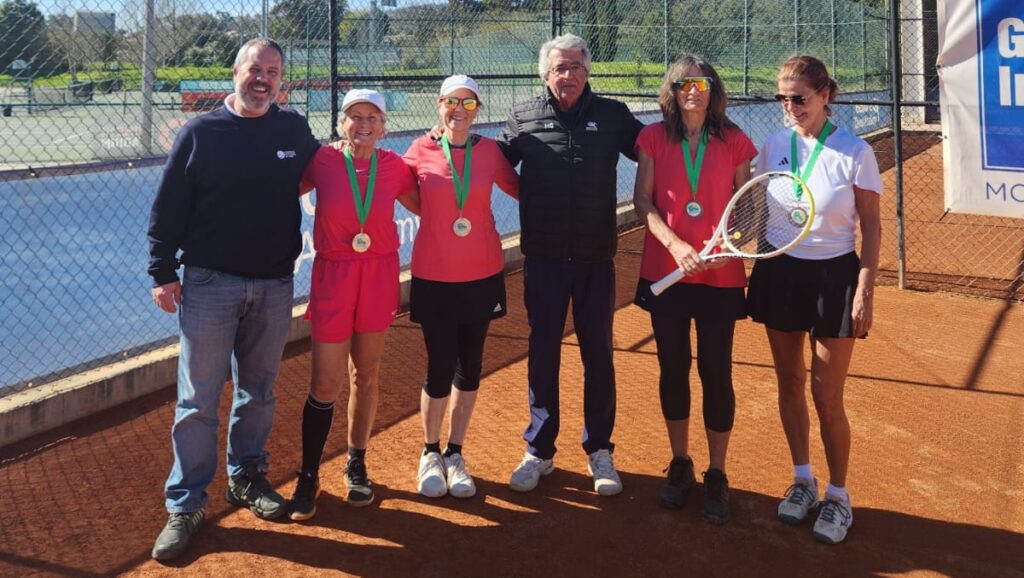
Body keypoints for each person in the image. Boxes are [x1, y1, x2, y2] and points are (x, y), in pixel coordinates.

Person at [147, 37, 320, 560]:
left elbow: (330, 171)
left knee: (259, 392)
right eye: (254, 69)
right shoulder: (200, 132)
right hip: (208, 284)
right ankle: (186, 503)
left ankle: (246, 477)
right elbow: (168, 207)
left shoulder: (293, 129)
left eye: (272, 71)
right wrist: (162, 271)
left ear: (281, 80)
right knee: (197, 400)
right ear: (236, 72)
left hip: (273, 284)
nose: (262, 79)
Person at [497, 34, 644, 496]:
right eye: (560, 67)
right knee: (543, 353)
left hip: (595, 261)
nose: (569, 75)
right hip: (543, 261)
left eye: (577, 66)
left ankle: (599, 449)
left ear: (588, 71)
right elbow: (491, 162)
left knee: (598, 355)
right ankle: (539, 450)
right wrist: (442, 139)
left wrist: (701, 127)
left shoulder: (613, 115)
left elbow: (656, 149)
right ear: (546, 73)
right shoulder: (522, 116)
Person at [747, 55, 882, 544]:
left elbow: (872, 225)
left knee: (826, 396)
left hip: (834, 276)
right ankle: (802, 479)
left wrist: (865, 287)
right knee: (789, 382)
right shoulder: (773, 146)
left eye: (799, 98)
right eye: (783, 98)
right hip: (780, 271)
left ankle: (838, 495)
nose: (790, 106)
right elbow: (758, 213)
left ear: (825, 95)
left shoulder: (854, 152)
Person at [632, 56, 757, 524]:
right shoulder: (652, 137)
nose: (692, 91)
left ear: (713, 90)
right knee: (673, 368)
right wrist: (676, 245)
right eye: (684, 83)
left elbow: (748, 209)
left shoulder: (735, 140)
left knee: (716, 371)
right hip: (666, 271)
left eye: (701, 84)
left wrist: (732, 247)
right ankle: (680, 462)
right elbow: (642, 200)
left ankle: (717, 473)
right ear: (672, 90)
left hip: (719, 276)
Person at [287, 89, 418, 521]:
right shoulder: (322, 161)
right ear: (341, 122)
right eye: (355, 116)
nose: (363, 125)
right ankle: (309, 474)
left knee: (366, 373)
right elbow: (278, 192)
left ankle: (356, 461)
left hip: (378, 275)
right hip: (334, 276)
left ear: (384, 126)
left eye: (372, 118)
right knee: (325, 382)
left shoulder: (395, 166)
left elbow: (431, 205)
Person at [402, 75, 519, 499]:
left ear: (478, 110)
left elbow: (522, 190)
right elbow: (398, 186)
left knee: (470, 364)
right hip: (434, 275)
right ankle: (429, 452)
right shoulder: (420, 148)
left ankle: (455, 453)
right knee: (439, 366)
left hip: (482, 274)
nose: (459, 110)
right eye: (452, 102)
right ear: (439, 105)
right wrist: (435, 215)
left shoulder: (489, 152)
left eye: (468, 104)